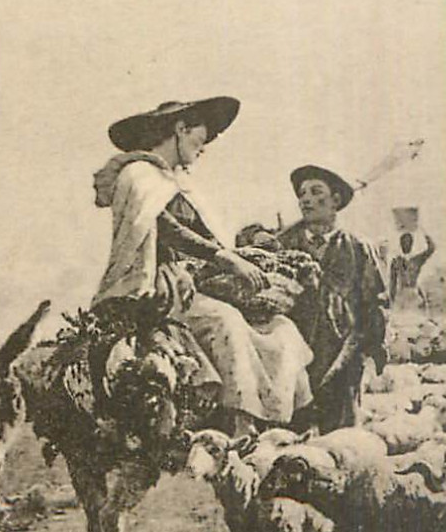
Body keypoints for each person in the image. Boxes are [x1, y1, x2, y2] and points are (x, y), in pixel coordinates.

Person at [93, 97, 314, 437]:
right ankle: (243, 425)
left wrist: (252, 248)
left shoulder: (177, 183)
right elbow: (168, 229)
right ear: (180, 130)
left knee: (280, 328)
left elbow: (210, 236)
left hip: (193, 284)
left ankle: (289, 419)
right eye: (201, 137)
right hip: (157, 288)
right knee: (224, 320)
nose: (204, 147)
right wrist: (224, 259)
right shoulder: (139, 175)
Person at [277, 165, 389, 432]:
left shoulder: (358, 247)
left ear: (336, 201)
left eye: (316, 192)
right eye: (302, 193)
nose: (306, 199)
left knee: (341, 439)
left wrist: (374, 349)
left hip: (343, 356)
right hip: (293, 358)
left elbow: (376, 303)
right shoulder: (282, 244)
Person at [385, 206, 437, 312]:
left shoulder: (416, 260)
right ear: (401, 244)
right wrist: (391, 300)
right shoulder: (396, 261)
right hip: (401, 295)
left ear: (412, 244)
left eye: (409, 243)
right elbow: (392, 282)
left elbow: (431, 248)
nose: (406, 245)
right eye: (404, 243)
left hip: (413, 293)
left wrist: (423, 231)